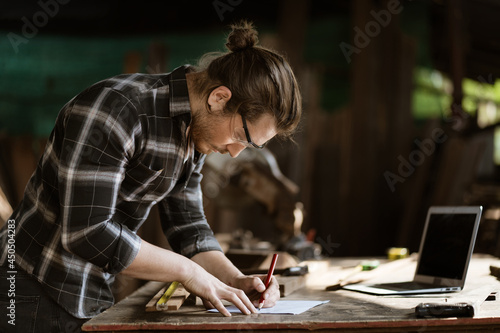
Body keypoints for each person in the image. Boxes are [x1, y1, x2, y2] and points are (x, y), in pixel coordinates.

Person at [0, 20, 302, 332]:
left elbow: (188, 226)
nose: (236, 152)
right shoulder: (116, 110)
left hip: (91, 290)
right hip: (30, 288)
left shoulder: (196, 130)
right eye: (241, 136)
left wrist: (232, 277)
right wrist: (187, 272)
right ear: (219, 98)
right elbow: (87, 232)